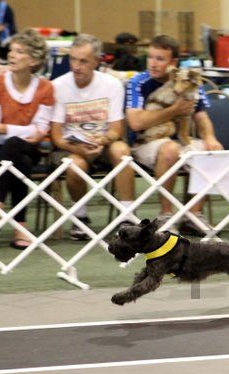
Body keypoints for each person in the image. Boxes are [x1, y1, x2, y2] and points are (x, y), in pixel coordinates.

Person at [126, 35, 223, 235]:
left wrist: (211, 138)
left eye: (160, 59)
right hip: (147, 141)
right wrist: (175, 110)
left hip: (179, 139)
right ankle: (166, 216)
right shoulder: (137, 82)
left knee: (207, 150)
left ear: (173, 63)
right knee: (169, 149)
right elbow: (135, 123)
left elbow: (201, 117)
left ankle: (194, 216)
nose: (152, 64)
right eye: (150, 57)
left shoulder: (190, 81)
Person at [51, 34, 135, 240]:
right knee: (75, 165)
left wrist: (103, 140)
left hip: (103, 142)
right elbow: (56, 136)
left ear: (97, 61)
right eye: (73, 59)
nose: (76, 66)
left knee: (122, 150)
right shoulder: (58, 86)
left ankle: (127, 216)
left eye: (83, 61)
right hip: (70, 146)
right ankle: (80, 218)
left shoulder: (112, 84)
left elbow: (117, 129)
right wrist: (77, 148)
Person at [0, 29, 53, 250]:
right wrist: (21, 129)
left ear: (33, 60)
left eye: (19, 51)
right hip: (5, 150)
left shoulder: (45, 88)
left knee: (12, 147)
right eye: (11, 50)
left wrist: (9, 129)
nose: (12, 55)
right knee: (16, 157)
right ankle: (20, 224)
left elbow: (39, 132)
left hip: (32, 147)